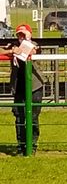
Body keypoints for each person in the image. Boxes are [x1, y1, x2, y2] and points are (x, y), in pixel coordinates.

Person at [1, 24, 44, 155]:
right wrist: (12, 51)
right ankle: (21, 146)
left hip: (34, 87)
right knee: (19, 117)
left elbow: (34, 51)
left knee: (33, 118)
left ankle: (32, 146)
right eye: (19, 34)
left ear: (29, 34)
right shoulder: (12, 45)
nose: (21, 37)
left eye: (23, 34)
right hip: (18, 87)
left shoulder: (35, 44)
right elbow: (2, 50)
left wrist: (25, 45)